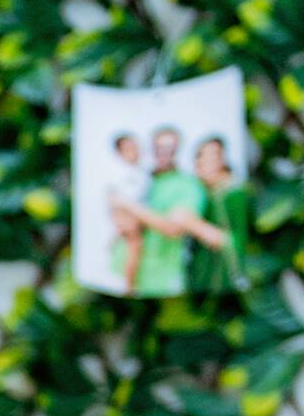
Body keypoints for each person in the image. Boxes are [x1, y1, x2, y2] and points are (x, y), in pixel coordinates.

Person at [133, 125, 228, 298]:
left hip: (164, 279)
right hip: (132, 273)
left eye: (169, 147)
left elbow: (173, 229)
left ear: (177, 149)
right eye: (158, 147)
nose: (163, 152)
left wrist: (127, 206)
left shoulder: (188, 184)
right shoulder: (145, 179)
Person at [191, 134, 250, 295]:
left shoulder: (235, 193)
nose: (203, 163)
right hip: (204, 279)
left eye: (212, 157)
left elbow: (242, 240)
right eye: (200, 158)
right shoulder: (205, 194)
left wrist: (204, 230)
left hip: (228, 282)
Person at [100, 129, 150, 292]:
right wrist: (121, 220)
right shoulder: (118, 173)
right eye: (128, 149)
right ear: (119, 152)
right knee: (134, 247)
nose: (134, 152)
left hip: (136, 216)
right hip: (125, 216)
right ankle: (129, 286)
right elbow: (113, 198)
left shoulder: (141, 172)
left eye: (135, 147)